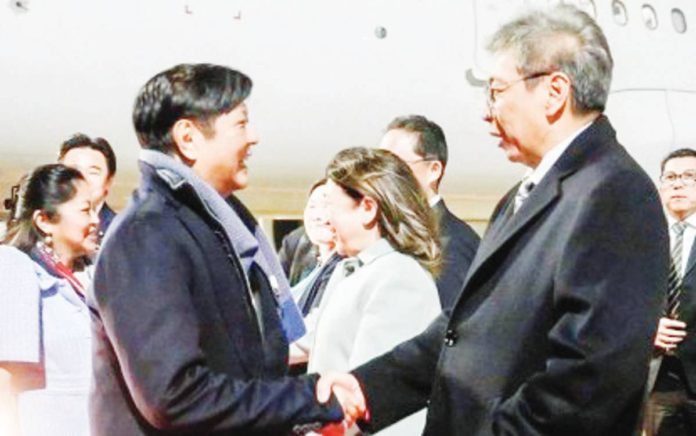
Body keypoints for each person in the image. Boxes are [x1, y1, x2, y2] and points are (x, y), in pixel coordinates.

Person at [318, 5, 669, 435]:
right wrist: (366, 388)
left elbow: (588, 381)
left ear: (554, 92)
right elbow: (464, 329)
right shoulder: (521, 198)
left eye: (497, 91)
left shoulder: (614, 194)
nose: (488, 112)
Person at [88, 63, 355, 436]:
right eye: (242, 124)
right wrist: (307, 398)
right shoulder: (147, 235)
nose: (255, 137)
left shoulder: (210, 226)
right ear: (189, 138)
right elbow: (175, 395)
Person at [310, 147, 441, 435]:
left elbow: (374, 395)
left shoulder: (398, 276)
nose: (323, 217)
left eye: (330, 204)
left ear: (368, 209)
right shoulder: (352, 270)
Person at [0, 164, 99, 436]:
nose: (96, 220)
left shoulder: (93, 273)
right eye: (84, 210)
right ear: (44, 220)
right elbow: (4, 382)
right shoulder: (15, 268)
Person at [379, 115, 480, 308]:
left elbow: (449, 326)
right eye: (379, 164)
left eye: (395, 165)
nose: (383, 175)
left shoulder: (451, 243)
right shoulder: (389, 233)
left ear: (434, 170)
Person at [645, 148, 696, 435]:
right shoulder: (640, 239)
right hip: (657, 376)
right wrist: (647, 327)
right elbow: (620, 303)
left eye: (689, 177)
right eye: (671, 177)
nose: (678, 183)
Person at [289, 178, 342, 371]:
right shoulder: (306, 258)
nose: (319, 216)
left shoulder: (347, 267)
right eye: (312, 206)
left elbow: (315, 336)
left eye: (327, 206)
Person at [58, 133, 117, 238]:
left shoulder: (121, 232)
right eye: (74, 170)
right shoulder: (42, 223)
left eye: (93, 172)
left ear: (109, 181)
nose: (82, 178)